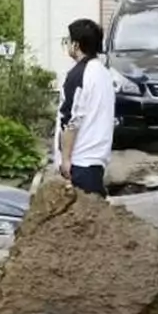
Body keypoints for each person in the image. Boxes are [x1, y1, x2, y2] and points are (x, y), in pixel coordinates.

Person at [54, 18, 115, 198]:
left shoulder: (78, 75)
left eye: (68, 40)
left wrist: (65, 159)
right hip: (98, 159)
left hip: (80, 163)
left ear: (76, 44)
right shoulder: (104, 73)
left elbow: (71, 121)